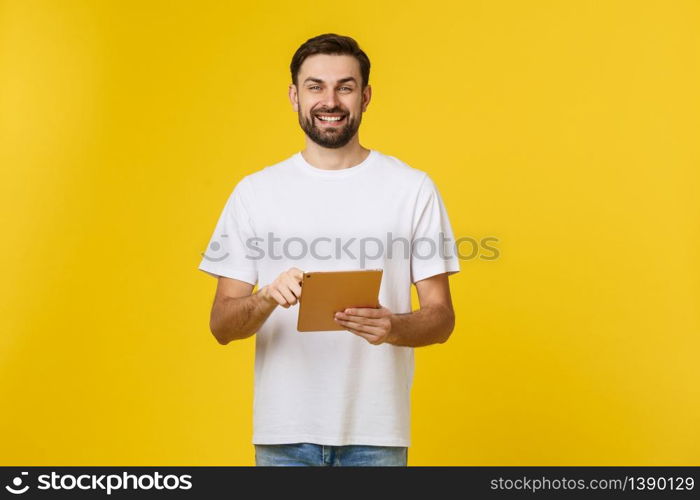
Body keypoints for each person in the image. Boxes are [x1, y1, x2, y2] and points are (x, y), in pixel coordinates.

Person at [198, 33, 460, 466]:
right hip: (284, 435)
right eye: (315, 86)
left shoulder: (412, 189)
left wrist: (392, 326)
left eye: (345, 86)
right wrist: (265, 297)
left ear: (366, 95)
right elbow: (222, 325)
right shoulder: (255, 193)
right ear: (294, 96)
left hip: (376, 434)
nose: (330, 100)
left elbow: (442, 318)